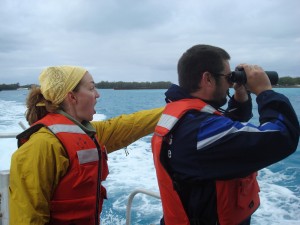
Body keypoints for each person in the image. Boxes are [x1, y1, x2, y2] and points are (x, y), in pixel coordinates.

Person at [151, 44, 299, 225]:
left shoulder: (185, 120)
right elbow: (282, 137)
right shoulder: (201, 133)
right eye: (228, 77)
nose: (230, 83)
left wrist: (240, 94)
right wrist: (265, 92)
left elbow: (223, 132)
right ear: (208, 79)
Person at [9, 65, 163, 225]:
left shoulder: (88, 133)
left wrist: (174, 111)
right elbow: (28, 218)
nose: (97, 94)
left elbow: (128, 124)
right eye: (91, 88)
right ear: (72, 97)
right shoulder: (41, 146)